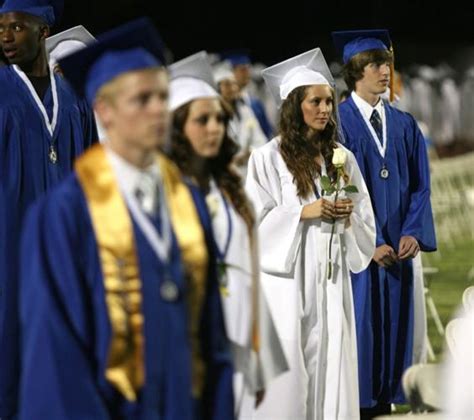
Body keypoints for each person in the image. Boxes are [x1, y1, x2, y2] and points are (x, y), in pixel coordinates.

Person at [18, 18, 234, 419]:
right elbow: (56, 357)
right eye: (142, 99)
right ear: (104, 110)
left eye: (162, 96)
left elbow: (212, 338)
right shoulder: (63, 214)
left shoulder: (187, 200)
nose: (159, 111)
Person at [245, 47, 376, 419]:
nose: (325, 109)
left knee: (332, 359)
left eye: (329, 102)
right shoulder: (267, 158)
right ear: (293, 106)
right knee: (295, 366)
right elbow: (253, 220)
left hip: (331, 279)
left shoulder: (340, 157)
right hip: (290, 280)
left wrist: (347, 216)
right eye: (315, 101)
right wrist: (304, 212)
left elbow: (363, 214)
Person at [167, 50, 287, 418]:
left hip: (237, 338)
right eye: (202, 120)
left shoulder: (232, 191)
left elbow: (251, 278)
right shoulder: (160, 194)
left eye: (219, 118)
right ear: (176, 128)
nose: (215, 127)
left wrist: (263, 359)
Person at [332, 29, 437, 419]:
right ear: (357, 71)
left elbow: (421, 187)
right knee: (363, 330)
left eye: (387, 65)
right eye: (377, 65)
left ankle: (389, 401)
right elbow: (338, 194)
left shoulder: (405, 124)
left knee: (395, 329)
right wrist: (368, 242)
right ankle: (360, 407)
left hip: (400, 248)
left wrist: (412, 231)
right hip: (362, 255)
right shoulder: (338, 125)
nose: (386, 72)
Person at [0, 1, 97, 417]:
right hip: (8, 250)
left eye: (17, 27)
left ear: (43, 32)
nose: (5, 36)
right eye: (1, 27)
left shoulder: (75, 98)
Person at [213, 61, 267, 177]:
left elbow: (260, 139)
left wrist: (250, 152)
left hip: (251, 168)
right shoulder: (215, 116)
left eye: (234, 83)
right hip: (229, 173)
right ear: (217, 89)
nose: (233, 88)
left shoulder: (245, 110)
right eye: (227, 84)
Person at [222, 49, 274, 140]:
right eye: (242, 69)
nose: (247, 73)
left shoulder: (255, 104)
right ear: (231, 72)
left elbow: (267, 133)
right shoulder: (222, 105)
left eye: (248, 68)